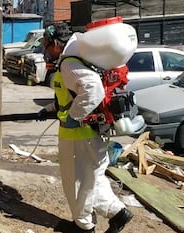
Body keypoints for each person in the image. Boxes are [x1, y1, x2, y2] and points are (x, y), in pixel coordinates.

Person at [37, 24, 133, 233]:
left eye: (46, 45)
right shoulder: (75, 60)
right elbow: (71, 95)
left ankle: (84, 227)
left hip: (78, 136)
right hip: (90, 134)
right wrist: (49, 109)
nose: (45, 51)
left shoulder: (69, 63)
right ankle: (118, 213)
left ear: (55, 44)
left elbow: (92, 90)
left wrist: (73, 118)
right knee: (92, 180)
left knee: (77, 182)